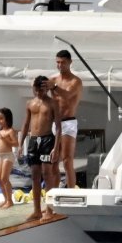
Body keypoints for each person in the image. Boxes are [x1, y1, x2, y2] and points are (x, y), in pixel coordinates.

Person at [19, 75, 61, 221]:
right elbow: (25, 125)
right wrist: (20, 145)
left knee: (47, 174)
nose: (38, 93)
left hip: (47, 140)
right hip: (33, 141)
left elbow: (59, 128)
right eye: (36, 90)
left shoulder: (52, 103)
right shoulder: (30, 103)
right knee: (35, 175)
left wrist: (56, 147)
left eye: (41, 90)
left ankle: (49, 210)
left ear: (46, 89)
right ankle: (37, 210)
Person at [45, 50, 83, 189]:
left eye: (63, 62)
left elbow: (67, 96)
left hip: (68, 123)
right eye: (58, 62)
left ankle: (71, 193)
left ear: (70, 63)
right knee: (53, 161)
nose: (60, 65)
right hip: (55, 124)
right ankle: (53, 192)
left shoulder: (76, 81)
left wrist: (53, 87)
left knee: (67, 161)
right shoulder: (53, 79)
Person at [0, 107, 19, 209]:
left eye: (1, 118)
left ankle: (10, 201)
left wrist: (5, 140)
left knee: (4, 178)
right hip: (0, 156)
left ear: (7, 119)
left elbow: (15, 143)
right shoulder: (1, 132)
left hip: (8, 156)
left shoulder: (10, 131)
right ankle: (6, 199)